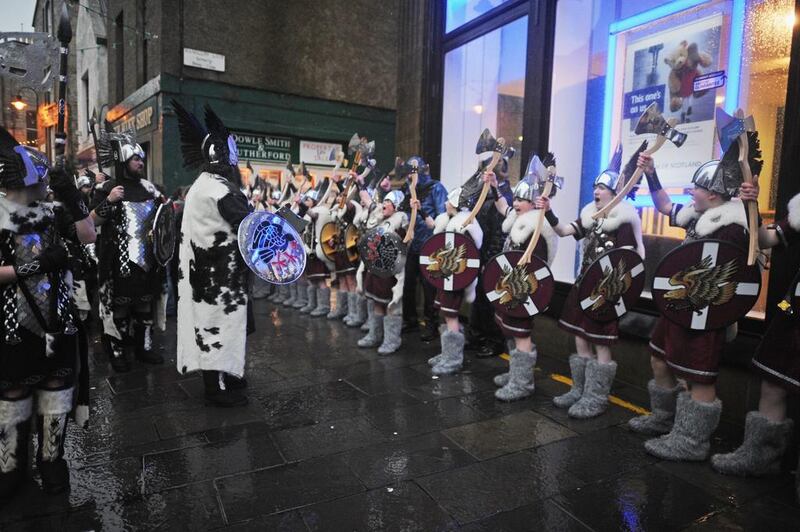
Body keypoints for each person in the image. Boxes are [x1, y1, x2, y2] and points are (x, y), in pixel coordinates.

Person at [628, 133, 760, 461]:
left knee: (696, 375)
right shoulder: (698, 215)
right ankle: (666, 418)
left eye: (696, 188)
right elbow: (663, 206)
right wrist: (651, 173)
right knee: (660, 357)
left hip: (704, 312)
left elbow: (732, 277)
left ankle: (691, 440)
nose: (691, 192)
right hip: (680, 305)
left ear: (713, 195)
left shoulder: (733, 227)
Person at [0, 125, 96, 496]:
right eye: (42, 179)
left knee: (56, 393)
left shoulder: (54, 211)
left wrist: (72, 195)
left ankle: (52, 461)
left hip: (59, 325)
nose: (47, 185)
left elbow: (88, 235)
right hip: (11, 329)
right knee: (13, 399)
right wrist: (35, 266)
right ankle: (10, 468)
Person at [544, 146, 645, 418]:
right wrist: (549, 212)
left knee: (601, 343)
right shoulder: (591, 213)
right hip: (583, 286)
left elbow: (628, 262)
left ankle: (596, 397)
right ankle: (580, 389)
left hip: (605, 293)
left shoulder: (623, 220)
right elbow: (565, 231)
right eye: (595, 186)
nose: (596, 191)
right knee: (580, 336)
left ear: (615, 191)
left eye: (602, 187)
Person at [711, 183, 796, 481]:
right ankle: (759, 458)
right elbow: (764, 239)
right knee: (772, 382)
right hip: (794, 312)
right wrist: (753, 207)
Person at [172, 100, 252, 407]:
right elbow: (246, 224)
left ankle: (230, 375)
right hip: (217, 275)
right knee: (217, 327)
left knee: (227, 326)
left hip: (212, 273)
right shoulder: (218, 189)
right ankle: (215, 389)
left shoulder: (202, 184)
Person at [482, 159, 558, 400]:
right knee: (511, 331)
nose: (516, 203)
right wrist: (495, 185)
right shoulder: (517, 219)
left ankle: (523, 383)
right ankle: (516, 373)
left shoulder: (536, 228)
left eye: (521, 200)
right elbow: (503, 206)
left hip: (524, 291)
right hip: (511, 288)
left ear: (532, 202)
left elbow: (536, 268)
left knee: (522, 333)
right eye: (516, 198)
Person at [91, 129, 166, 373]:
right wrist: (109, 200)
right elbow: (91, 223)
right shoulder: (108, 189)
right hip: (119, 261)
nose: (140, 162)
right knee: (120, 307)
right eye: (136, 158)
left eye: (142, 159)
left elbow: (163, 224)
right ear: (124, 161)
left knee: (145, 305)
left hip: (147, 260)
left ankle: (143, 348)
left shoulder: (150, 190)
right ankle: (118, 350)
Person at [426, 184, 483, 376]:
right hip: (445, 276)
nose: (445, 203)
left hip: (454, 278)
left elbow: (468, 256)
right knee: (445, 313)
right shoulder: (450, 221)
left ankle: (453, 359)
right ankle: (446, 353)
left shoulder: (463, 226)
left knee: (451, 315)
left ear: (457, 204)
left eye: (449, 200)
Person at [468, 154, 515, 358]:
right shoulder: (484, 193)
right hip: (481, 252)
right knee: (479, 297)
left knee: (492, 300)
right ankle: (477, 336)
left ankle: (494, 341)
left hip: (493, 255)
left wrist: (491, 258)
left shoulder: (504, 194)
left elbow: (501, 231)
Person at [401, 156, 448, 341]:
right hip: (412, 245)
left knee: (430, 289)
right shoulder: (408, 189)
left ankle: (431, 325)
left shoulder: (436, 188)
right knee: (408, 285)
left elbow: (441, 218)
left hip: (431, 246)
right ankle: (410, 320)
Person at [357, 190, 409, 354]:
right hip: (375, 267)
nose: (384, 205)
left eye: (388, 202)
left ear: (397, 206)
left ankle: (392, 340)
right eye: (384, 201)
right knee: (375, 300)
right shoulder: (379, 221)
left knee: (391, 303)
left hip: (390, 269)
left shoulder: (400, 222)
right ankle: (375, 335)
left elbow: (402, 245)